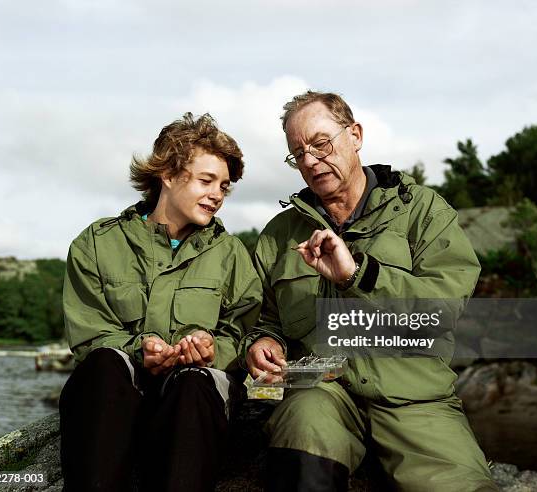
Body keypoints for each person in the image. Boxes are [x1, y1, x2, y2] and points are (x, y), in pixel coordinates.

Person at [243, 91, 499, 491]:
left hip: (415, 398)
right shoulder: (278, 235)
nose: (310, 161)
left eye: (321, 144)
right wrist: (263, 341)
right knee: (299, 448)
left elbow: (443, 307)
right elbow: (266, 317)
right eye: (298, 153)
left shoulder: (423, 211)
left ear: (356, 135)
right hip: (321, 393)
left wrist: (359, 274)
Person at [59, 113, 262, 492]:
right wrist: (140, 351)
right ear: (167, 175)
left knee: (195, 385)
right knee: (103, 364)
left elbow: (245, 328)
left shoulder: (232, 254)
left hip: (192, 398)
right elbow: (90, 335)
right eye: (206, 180)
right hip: (121, 394)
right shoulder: (96, 244)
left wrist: (212, 348)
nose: (217, 194)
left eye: (224, 185)